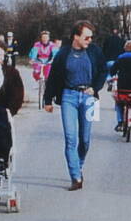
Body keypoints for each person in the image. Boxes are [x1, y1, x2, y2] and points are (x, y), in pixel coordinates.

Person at [42, 21, 105, 191]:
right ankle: (75, 177)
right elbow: (53, 77)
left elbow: (103, 71)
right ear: (76, 37)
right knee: (71, 138)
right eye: (86, 37)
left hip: (90, 98)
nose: (89, 40)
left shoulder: (94, 51)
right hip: (68, 96)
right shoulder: (63, 54)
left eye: (91, 37)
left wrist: (95, 87)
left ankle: (79, 165)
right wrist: (47, 100)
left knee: (85, 140)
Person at [28, 29, 57, 96]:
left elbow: (55, 53)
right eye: (43, 37)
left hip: (48, 61)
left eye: (46, 37)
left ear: (49, 38)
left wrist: (53, 60)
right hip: (39, 61)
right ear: (41, 38)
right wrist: (32, 59)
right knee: (36, 72)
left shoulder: (52, 45)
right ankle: (39, 82)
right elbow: (34, 53)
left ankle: (48, 87)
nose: (45, 39)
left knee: (48, 74)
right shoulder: (37, 44)